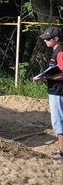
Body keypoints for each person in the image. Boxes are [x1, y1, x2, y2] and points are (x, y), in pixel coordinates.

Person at [35, 26, 63, 160]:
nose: (45, 41)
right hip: (56, 90)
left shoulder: (60, 52)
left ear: (56, 39)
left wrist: (46, 77)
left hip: (58, 91)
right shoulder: (56, 51)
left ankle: (62, 152)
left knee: (58, 121)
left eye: (48, 39)